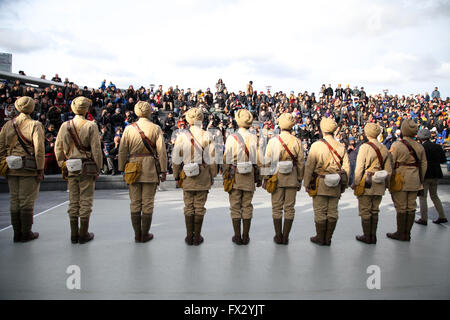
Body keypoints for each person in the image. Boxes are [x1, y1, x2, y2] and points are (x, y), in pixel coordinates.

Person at [54, 96, 103, 244]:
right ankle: (83, 234)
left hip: (70, 166)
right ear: (86, 109)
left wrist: (62, 163)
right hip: (86, 166)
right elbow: (96, 149)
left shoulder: (65, 126)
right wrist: (98, 167)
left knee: (73, 201)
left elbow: (58, 148)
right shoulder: (91, 125)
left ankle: (73, 234)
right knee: (86, 200)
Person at [118, 101, 167, 243]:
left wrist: (122, 168)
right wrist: (163, 170)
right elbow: (162, 152)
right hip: (150, 168)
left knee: (134, 202)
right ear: (149, 112)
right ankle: (144, 234)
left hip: (132, 168)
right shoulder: (156, 128)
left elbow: (122, 150)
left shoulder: (129, 129)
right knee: (147, 203)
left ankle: (136, 234)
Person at [0, 96, 45, 242]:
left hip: (11, 166)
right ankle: (26, 232)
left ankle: (16, 233)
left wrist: (3, 164)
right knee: (26, 200)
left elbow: (1, 148)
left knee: (14, 199)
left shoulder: (7, 125)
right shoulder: (35, 124)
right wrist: (40, 169)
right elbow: (39, 149)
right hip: (28, 167)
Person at [172, 108, 217, 245]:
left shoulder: (181, 136)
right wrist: (213, 174)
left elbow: (175, 159)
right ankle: (197, 237)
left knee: (188, 206)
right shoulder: (207, 135)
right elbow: (213, 158)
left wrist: (176, 175)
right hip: (202, 173)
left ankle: (188, 236)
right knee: (199, 206)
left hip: (187, 175)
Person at [303, 117, 350, 246]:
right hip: (335, 183)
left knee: (320, 211)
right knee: (333, 212)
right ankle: (328, 238)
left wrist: (306, 184)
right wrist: (344, 185)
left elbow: (309, 167)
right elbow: (346, 169)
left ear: (322, 129)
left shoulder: (316, 146)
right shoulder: (341, 147)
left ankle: (320, 237)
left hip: (320, 183)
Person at [263, 113, 305, 245]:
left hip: (276, 178)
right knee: (289, 208)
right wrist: (299, 178)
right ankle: (285, 237)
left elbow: (266, 161)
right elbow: (301, 163)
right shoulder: (297, 141)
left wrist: (265, 178)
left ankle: (278, 235)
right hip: (292, 178)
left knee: (276, 208)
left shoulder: (273, 141)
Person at [223, 109, 261, 245]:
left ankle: (237, 236)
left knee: (235, 206)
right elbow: (259, 160)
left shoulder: (231, 138)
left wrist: (225, 176)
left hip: (235, 175)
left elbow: (226, 159)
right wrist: (259, 177)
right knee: (247, 206)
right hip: (249, 175)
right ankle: (246, 236)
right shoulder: (254, 137)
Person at [387, 119, 427, 241]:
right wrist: (420, 178)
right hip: (415, 179)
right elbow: (424, 165)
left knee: (401, 207)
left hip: (400, 179)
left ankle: (400, 232)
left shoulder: (397, 145)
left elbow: (390, 163)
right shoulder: (419, 146)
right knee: (411, 207)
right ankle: (407, 233)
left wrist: (389, 180)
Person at [352, 123, 393, 244]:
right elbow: (388, 170)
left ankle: (367, 235)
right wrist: (387, 184)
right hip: (379, 182)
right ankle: (373, 235)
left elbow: (359, 168)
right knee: (375, 210)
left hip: (367, 181)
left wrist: (356, 182)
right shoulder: (384, 148)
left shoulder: (365, 147)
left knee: (365, 210)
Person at [415, 128, 447, 225]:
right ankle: (442, 216)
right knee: (434, 195)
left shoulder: (420, 148)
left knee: (422, 197)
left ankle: (424, 218)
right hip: (436, 174)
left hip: (425, 175)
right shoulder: (437, 146)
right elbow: (443, 160)